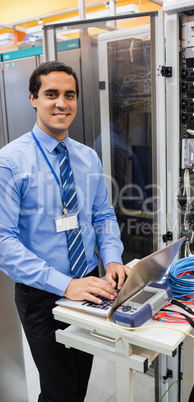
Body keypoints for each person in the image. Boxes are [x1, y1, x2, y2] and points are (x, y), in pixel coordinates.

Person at [0, 61, 130, 402]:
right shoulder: (10, 162)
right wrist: (65, 285)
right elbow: (3, 242)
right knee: (59, 389)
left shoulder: (87, 157)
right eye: (51, 94)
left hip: (90, 283)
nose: (62, 103)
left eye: (69, 95)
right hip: (41, 293)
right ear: (33, 98)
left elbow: (102, 215)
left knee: (79, 380)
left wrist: (113, 259)